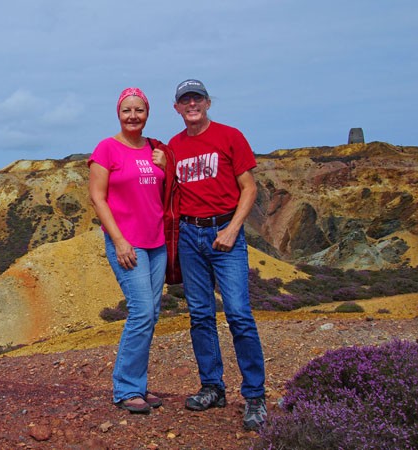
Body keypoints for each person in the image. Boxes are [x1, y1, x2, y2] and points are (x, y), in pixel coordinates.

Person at [167, 79, 267, 431]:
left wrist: (232, 229)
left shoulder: (230, 136)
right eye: (185, 100)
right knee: (200, 315)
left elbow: (249, 188)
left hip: (225, 232)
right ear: (177, 108)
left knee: (239, 314)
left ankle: (255, 395)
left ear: (208, 102)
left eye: (197, 98)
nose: (191, 104)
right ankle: (212, 387)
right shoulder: (173, 147)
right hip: (190, 236)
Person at [88, 87, 168, 414]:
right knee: (142, 311)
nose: (133, 116)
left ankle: (138, 383)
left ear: (147, 113)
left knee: (152, 315)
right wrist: (119, 240)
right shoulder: (107, 149)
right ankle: (125, 388)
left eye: (139, 110)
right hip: (127, 242)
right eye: (127, 110)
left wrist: (168, 164)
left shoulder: (156, 150)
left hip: (157, 242)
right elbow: (98, 197)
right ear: (118, 114)